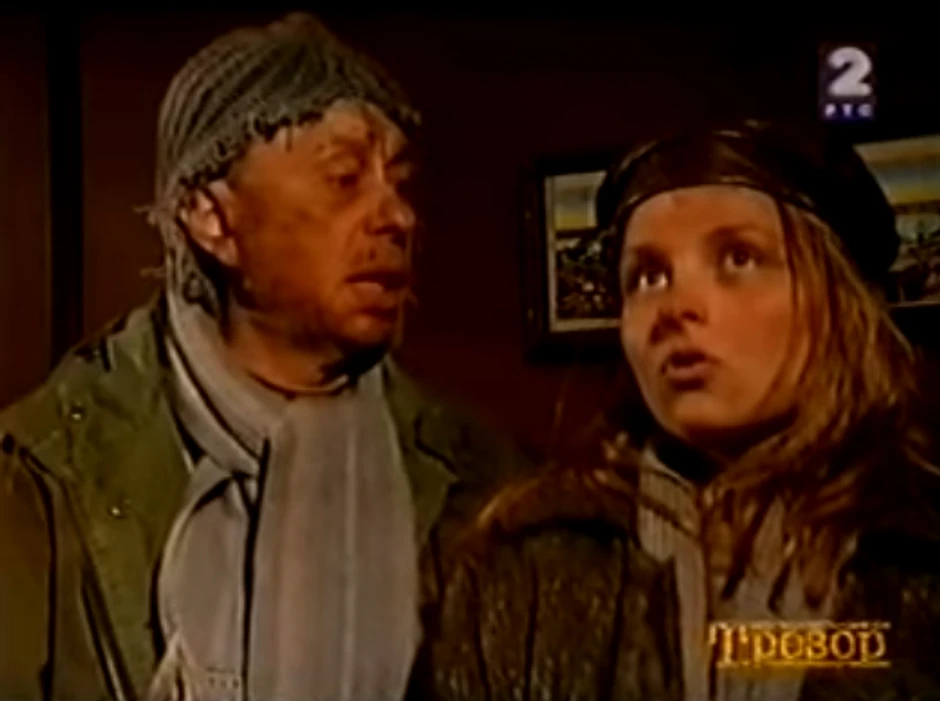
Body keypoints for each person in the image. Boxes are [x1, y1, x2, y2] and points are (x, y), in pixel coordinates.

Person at [0, 13, 528, 701]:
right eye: (345, 177)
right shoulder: (49, 472)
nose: (398, 217)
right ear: (213, 219)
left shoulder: (480, 476)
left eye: (399, 182)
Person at [414, 120, 940, 701]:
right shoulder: (524, 563)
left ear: (842, 303)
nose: (674, 307)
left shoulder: (920, 555)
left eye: (739, 258)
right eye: (648, 276)